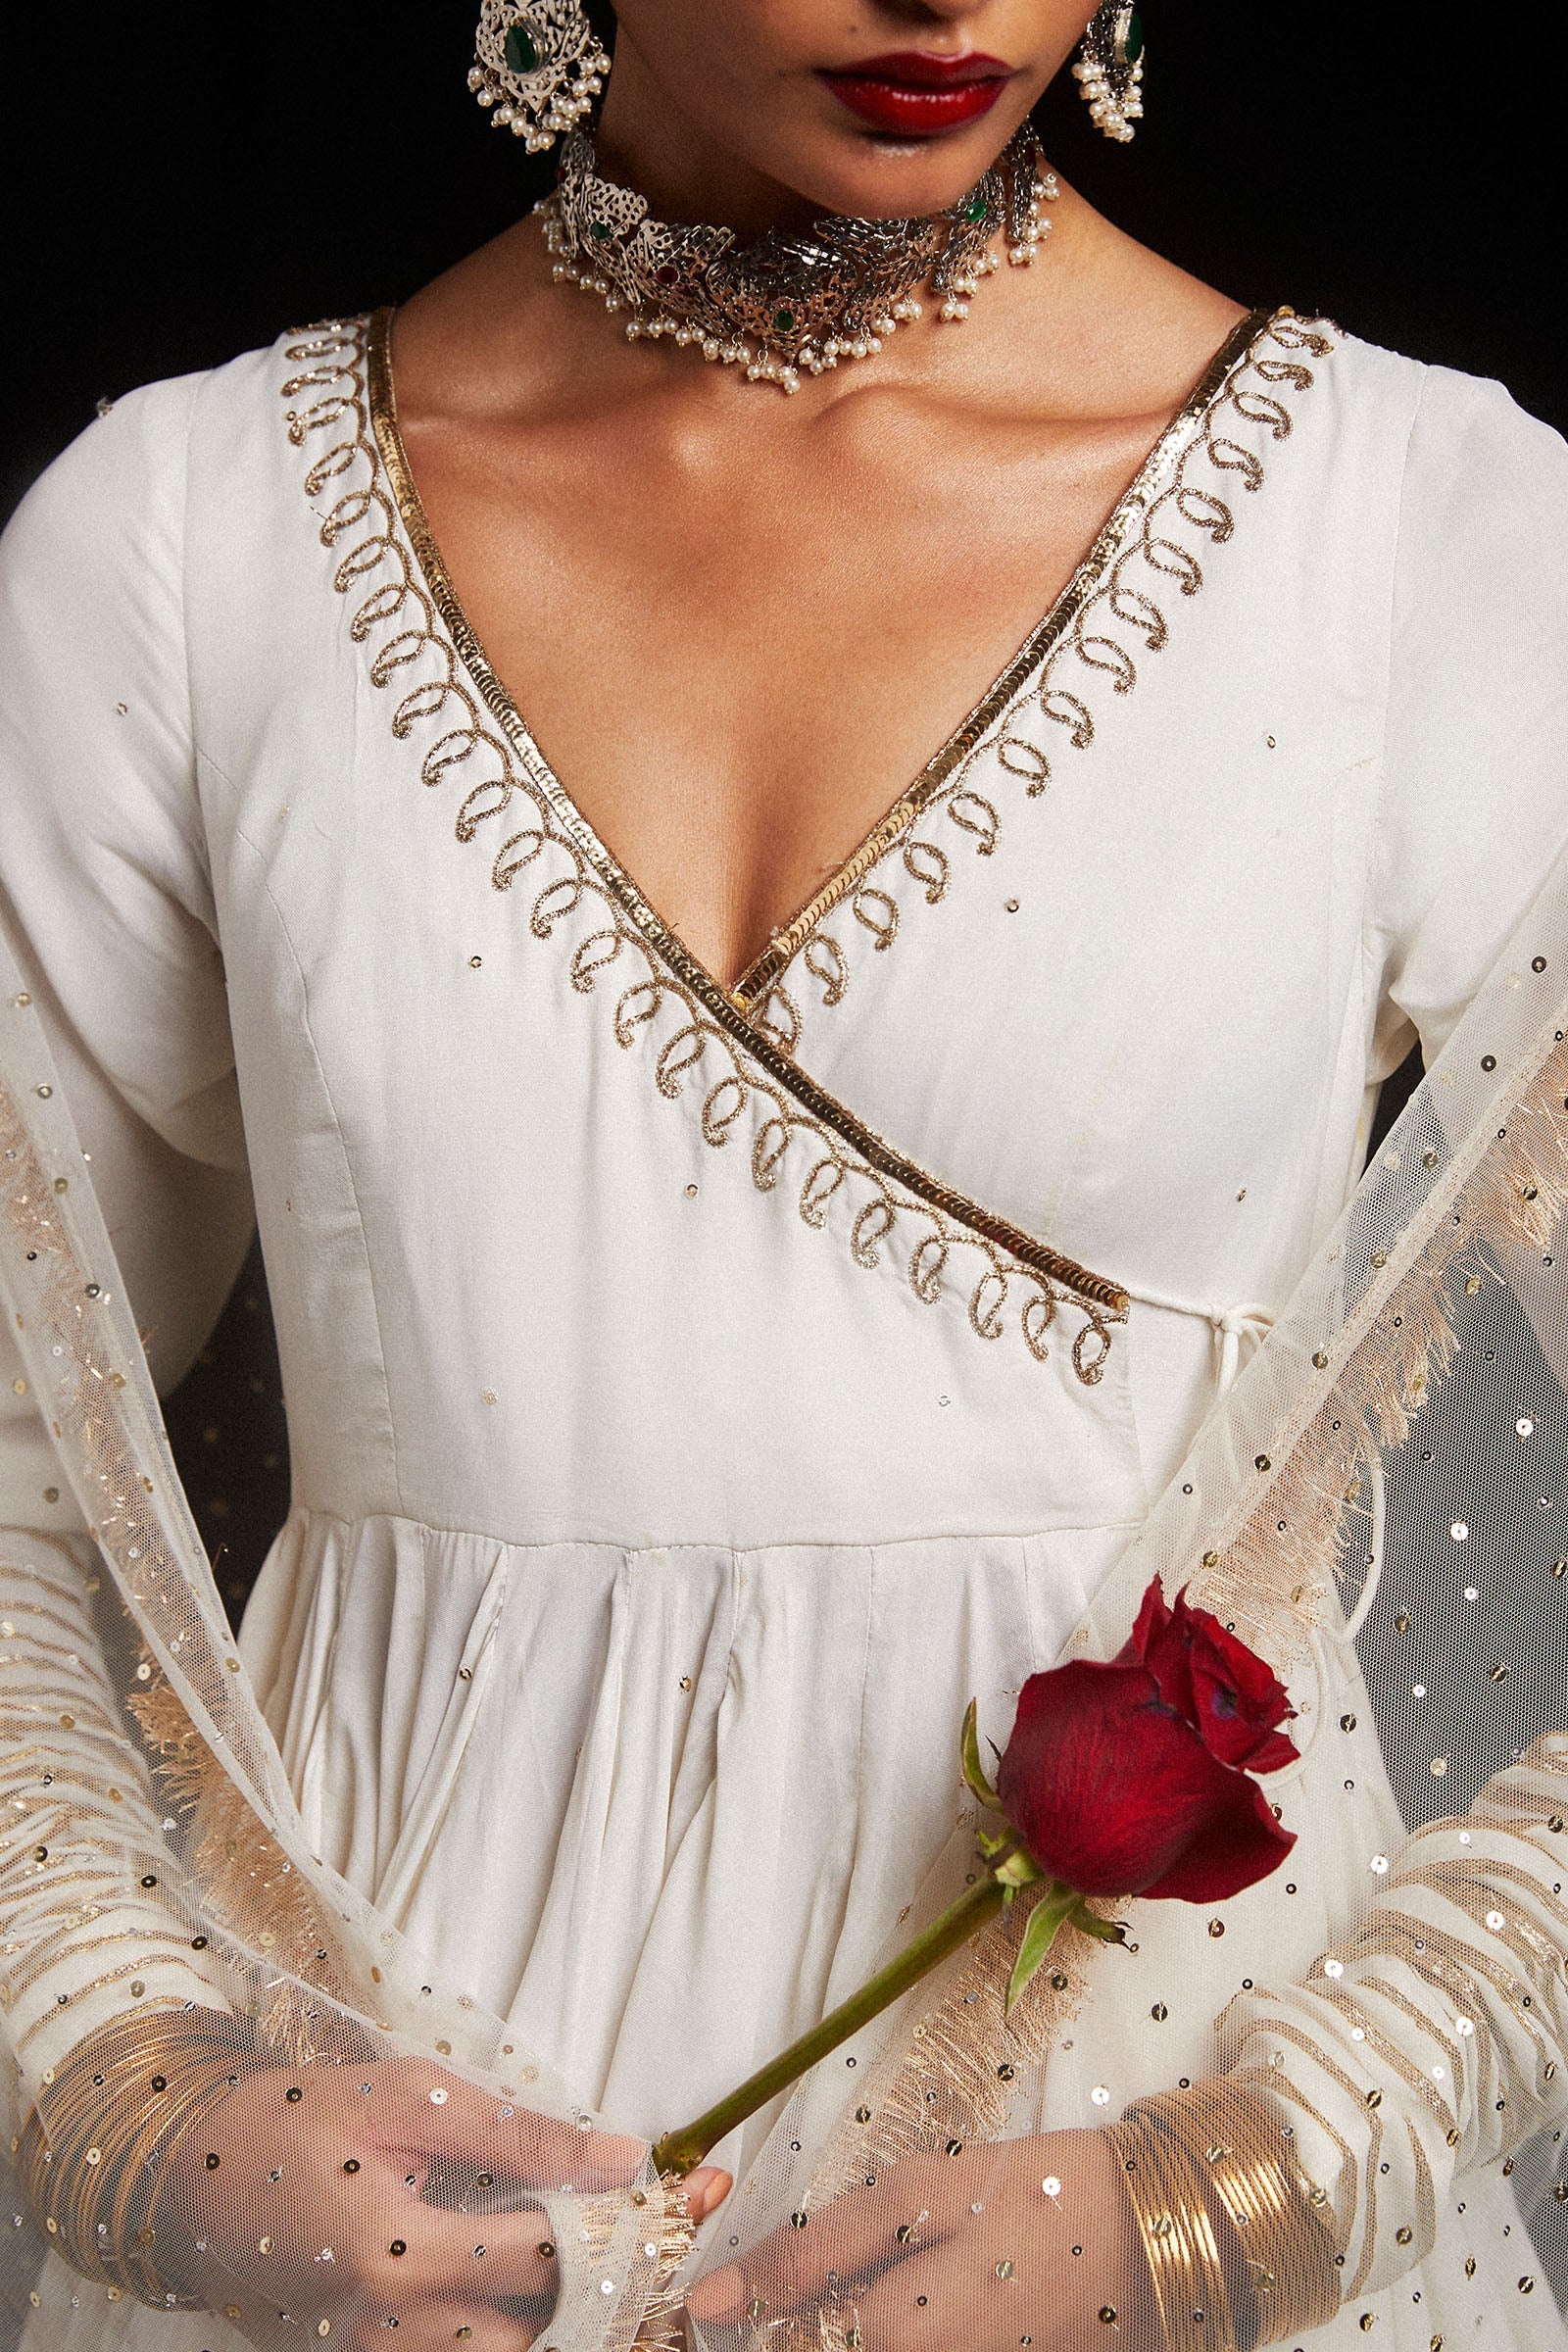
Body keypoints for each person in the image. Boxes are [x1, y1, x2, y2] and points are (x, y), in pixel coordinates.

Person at [1, 2, 1566, 2346]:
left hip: (1134, 2185)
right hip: (378, 2210)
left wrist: (1256, 2182)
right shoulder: (184, 539)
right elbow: (20, 1464)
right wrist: (137, 2103)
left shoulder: (1421, 529)